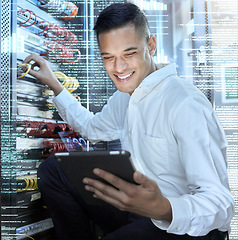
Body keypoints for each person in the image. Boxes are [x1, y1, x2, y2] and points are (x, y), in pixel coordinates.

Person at [23, 3, 234, 240]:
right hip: (139, 208)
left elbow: (221, 206)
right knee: (54, 170)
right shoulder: (125, 97)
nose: (119, 67)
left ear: (151, 45)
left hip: (184, 226)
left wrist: (163, 207)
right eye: (109, 57)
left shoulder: (185, 103)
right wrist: (55, 85)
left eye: (129, 54)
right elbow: (92, 128)